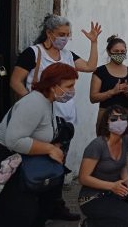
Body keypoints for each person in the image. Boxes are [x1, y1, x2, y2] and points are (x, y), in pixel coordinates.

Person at [9, 14, 101, 221]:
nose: (65, 38)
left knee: (58, 164)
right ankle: (34, 207)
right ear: (49, 33)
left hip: (64, 120)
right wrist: (33, 104)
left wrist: (94, 43)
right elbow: (16, 81)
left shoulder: (67, 55)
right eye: (61, 34)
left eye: (68, 35)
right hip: (41, 122)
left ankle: (54, 205)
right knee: (38, 163)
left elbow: (90, 66)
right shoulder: (33, 53)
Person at [0, 63, 78, 226]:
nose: (72, 91)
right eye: (69, 86)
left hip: (14, 159)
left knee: (38, 206)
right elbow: (14, 140)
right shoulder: (34, 102)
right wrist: (49, 148)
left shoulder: (48, 101)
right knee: (19, 213)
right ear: (53, 85)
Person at [78, 105, 128, 227]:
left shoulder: (125, 139)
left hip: (114, 192)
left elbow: (122, 165)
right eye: (114, 119)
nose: (119, 121)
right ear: (106, 123)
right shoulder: (97, 145)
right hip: (93, 198)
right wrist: (111, 186)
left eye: (123, 117)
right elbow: (83, 178)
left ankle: (116, 218)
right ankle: (89, 224)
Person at [90, 35, 128, 140]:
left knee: (124, 149)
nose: (119, 54)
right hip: (107, 116)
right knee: (105, 150)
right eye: (116, 51)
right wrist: (112, 92)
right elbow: (93, 98)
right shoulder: (100, 71)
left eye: (122, 51)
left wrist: (127, 92)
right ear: (109, 52)